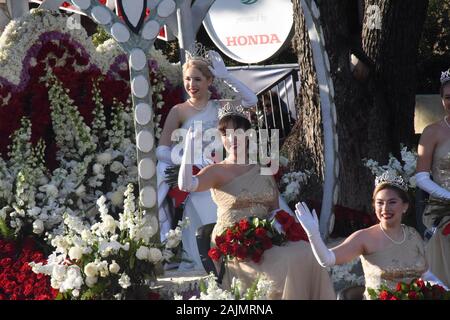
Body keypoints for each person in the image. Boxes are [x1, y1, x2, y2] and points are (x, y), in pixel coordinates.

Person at [177, 107, 336, 299]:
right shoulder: (217, 171)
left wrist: (282, 228)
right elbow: (186, 185)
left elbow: (276, 211)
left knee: (308, 252)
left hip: (265, 239)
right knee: (287, 261)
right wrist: (188, 150)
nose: (232, 139)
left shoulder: (262, 169)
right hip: (235, 244)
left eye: (238, 133)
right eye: (226, 134)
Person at [156, 47, 258, 271]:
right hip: (198, 178)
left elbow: (251, 100)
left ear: (210, 80)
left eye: (197, 79)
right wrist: (187, 158)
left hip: (224, 175)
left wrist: (227, 76)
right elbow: (161, 150)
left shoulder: (221, 106)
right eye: (187, 79)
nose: (191, 85)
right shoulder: (179, 111)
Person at [294, 171, 448, 299]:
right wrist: (313, 234)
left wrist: (444, 290)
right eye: (380, 203)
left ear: (405, 206)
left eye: (392, 202)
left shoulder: (413, 235)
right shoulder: (364, 237)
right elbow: (327, 259)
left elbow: (425, 273)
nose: (385, 208)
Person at [415, 68, 450, 288]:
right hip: (443, 208)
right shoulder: (432, 132)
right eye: (448, 97)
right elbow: (421, 178)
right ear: (442, 99)